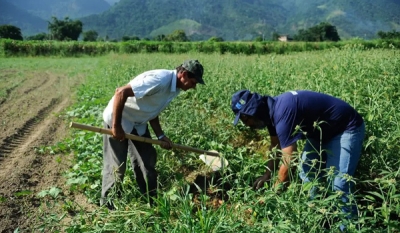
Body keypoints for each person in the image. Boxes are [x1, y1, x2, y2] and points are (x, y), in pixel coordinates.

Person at [231, 89, 365, 229]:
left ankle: (350, 228)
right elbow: (275, 146)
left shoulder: (283, 112)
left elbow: (289, 161)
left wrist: (273, 196)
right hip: (319, 133)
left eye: (245, 119)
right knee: (307, 172)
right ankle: (319, 218)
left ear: (254, 111)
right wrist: (267, 174)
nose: (246, 124)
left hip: (345, 128)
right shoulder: (269, 113)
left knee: (339, 185)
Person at [101, 59, 205, 208]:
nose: (194, 87)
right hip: (119, 119)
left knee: (147, 161)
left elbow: (152, 110)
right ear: (183, 74)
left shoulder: (174, 88)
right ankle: (107, 206)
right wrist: (116, 127)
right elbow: (120, 92)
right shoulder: (160, 80)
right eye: (193, 82)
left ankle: (151, 201)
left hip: (138, 123)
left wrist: (161, 136)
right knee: (117, 167)